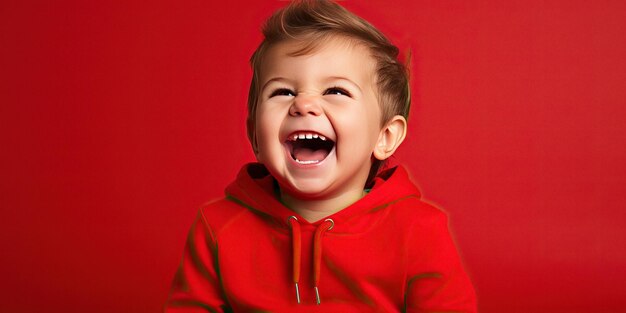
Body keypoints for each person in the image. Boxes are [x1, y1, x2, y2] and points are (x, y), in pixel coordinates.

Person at [164, 1, 476, 312]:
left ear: (384, 137)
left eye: (335, 91)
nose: (303, 104)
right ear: (255, 137)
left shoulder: (419, 231)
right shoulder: (218, 227)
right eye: (282, 91)